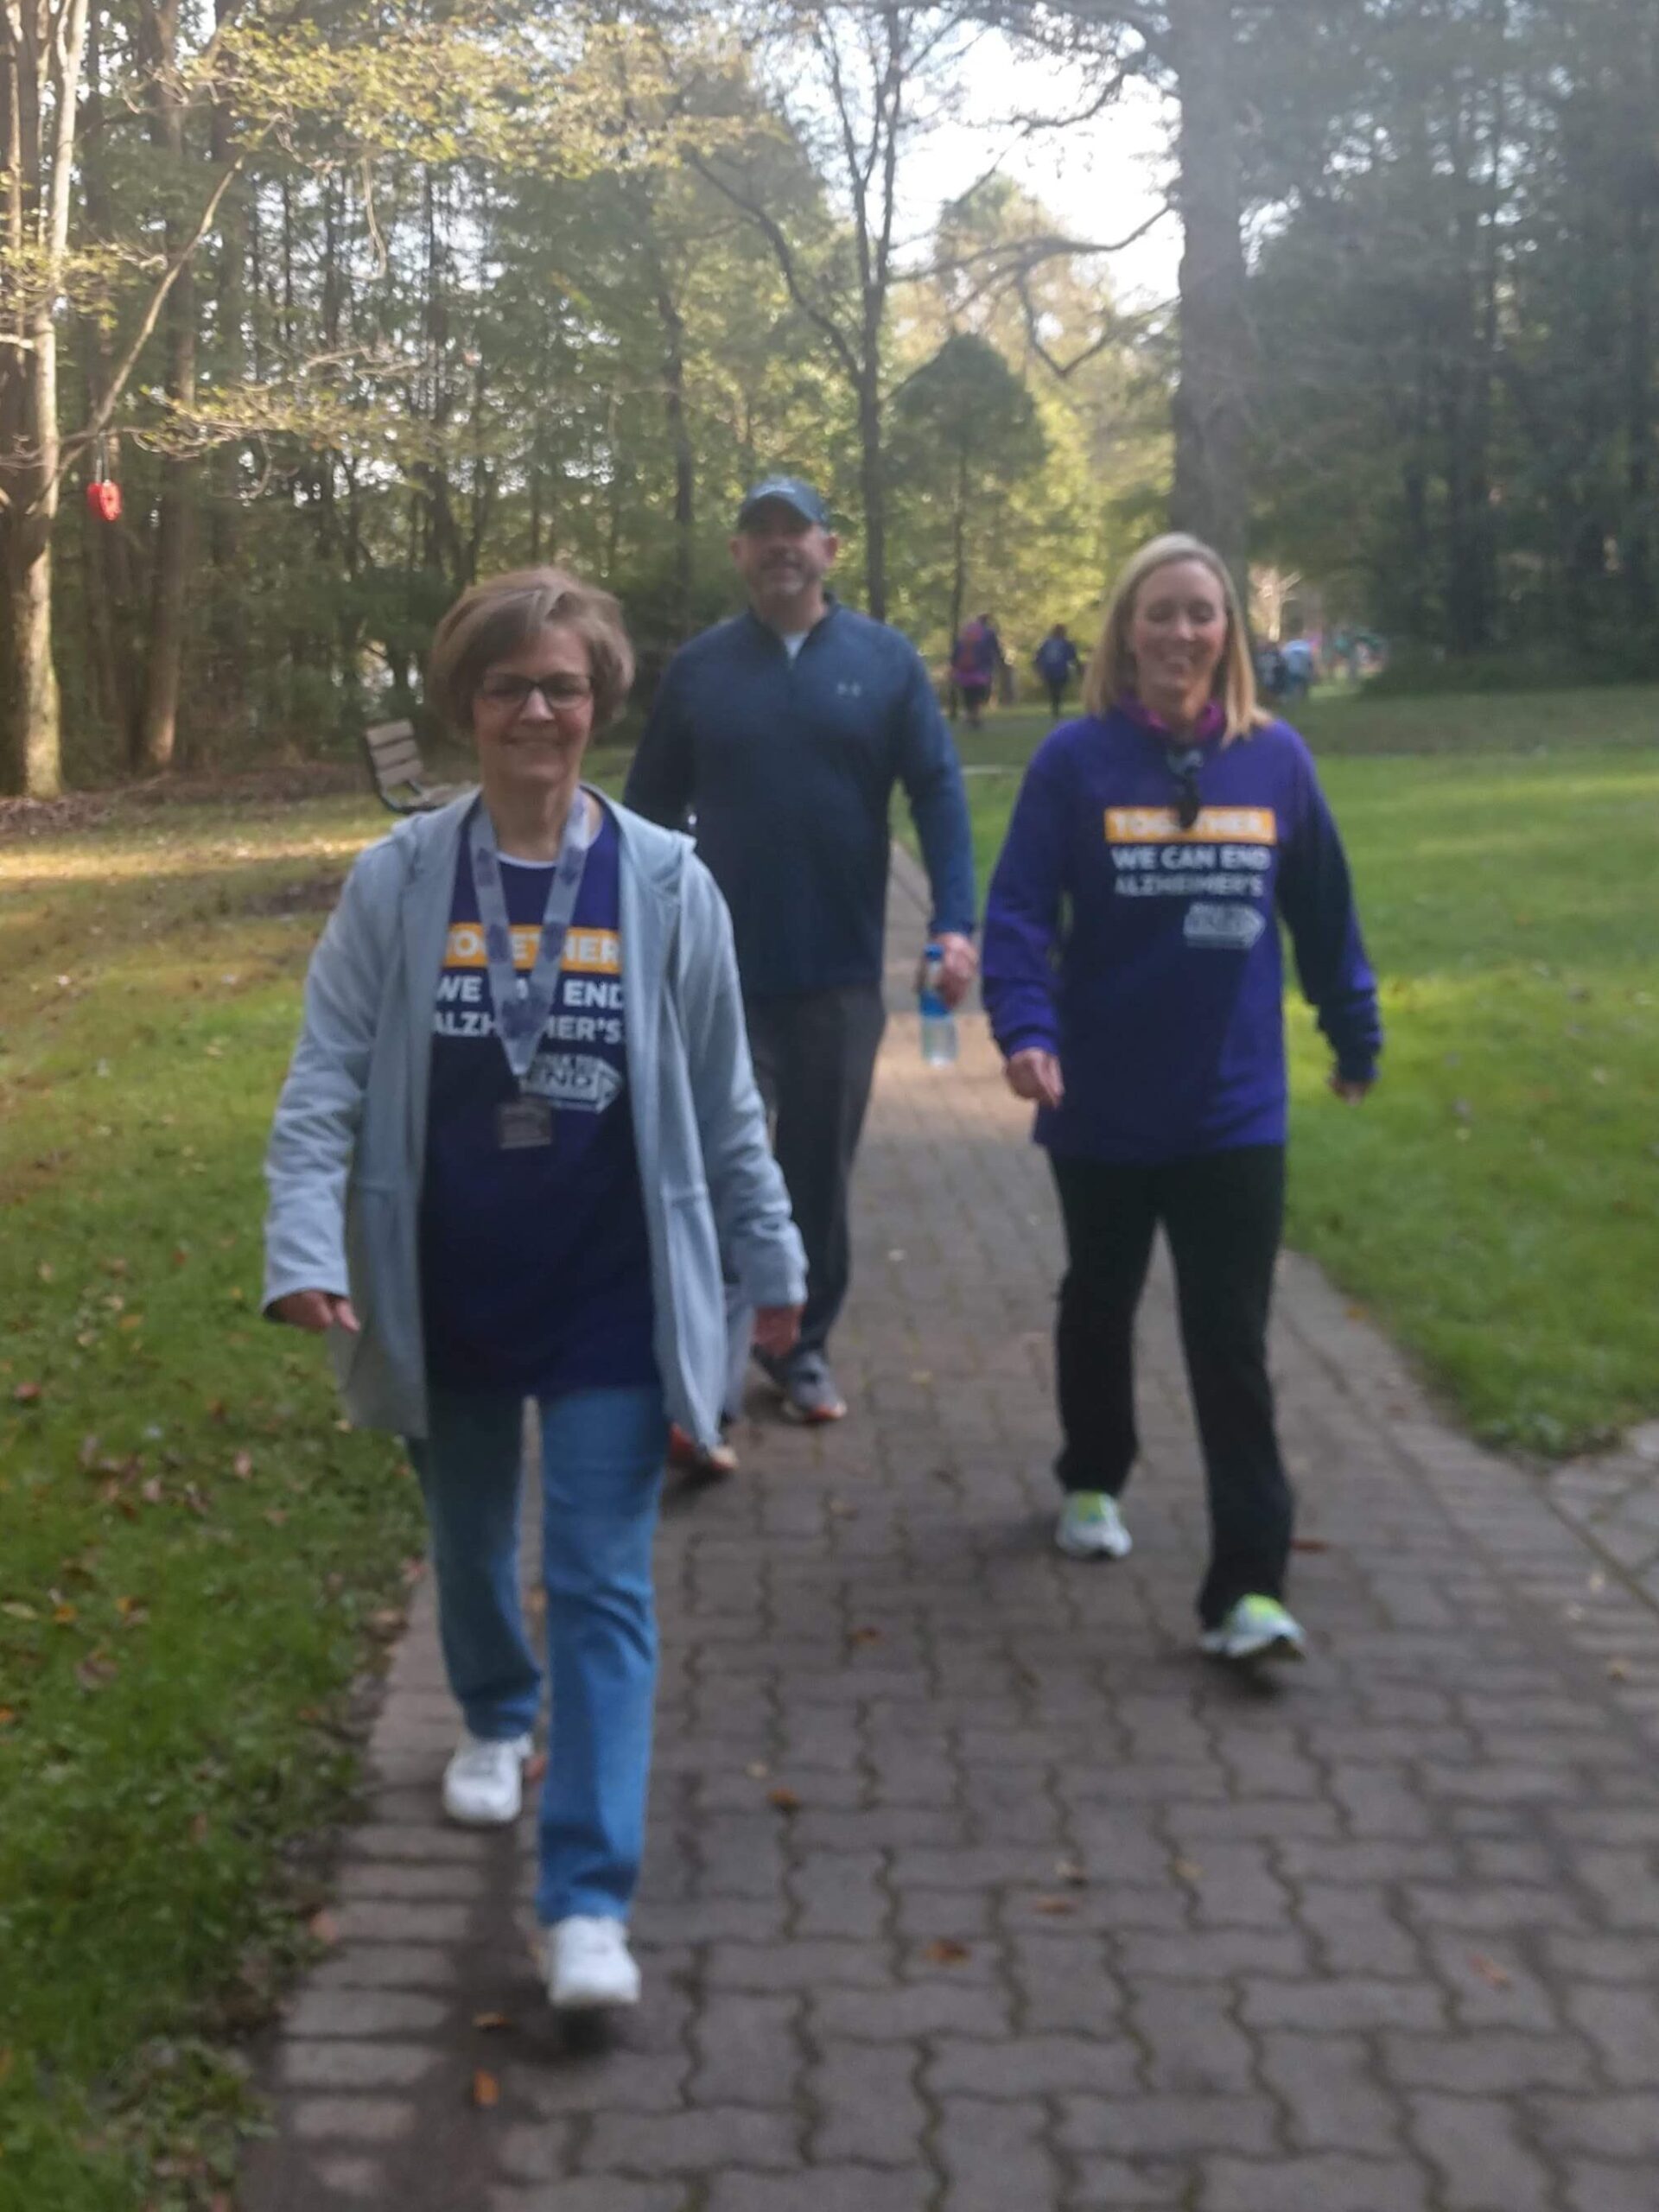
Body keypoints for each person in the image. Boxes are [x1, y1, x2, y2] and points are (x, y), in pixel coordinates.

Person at [263, 567, 805, 2013]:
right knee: (465, 1532)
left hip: (613, 1291)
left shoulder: (669, 885)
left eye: (563, 685)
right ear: (468, 707)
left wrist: (774, 1261)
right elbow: (325, 1081)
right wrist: (305, 1245)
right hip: (445, 1284)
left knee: (604, 1581)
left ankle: (586, 1905)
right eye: (510, 687)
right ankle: (495, 1711)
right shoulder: (398, 881)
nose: (539, 711)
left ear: (599, 704)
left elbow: (723, 1096)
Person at [982, 533, 1381, 1666]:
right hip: (1101, 1101)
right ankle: (1093, 1477)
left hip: (1232, 1109)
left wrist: (1353, 1033)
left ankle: (1248, 1588)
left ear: (1229, 634)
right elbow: (1018, 914)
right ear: (1124, 631)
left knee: (1229, 1338)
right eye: (1160, 613)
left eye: (1202, 614)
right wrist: (1027, 1031)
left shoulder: (1276, 761)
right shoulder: (1075, 761)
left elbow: (1326, 914)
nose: (1181, 634)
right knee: (1099, 1295)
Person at [626, 475, 976, 1427]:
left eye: (797, 531)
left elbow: (938, 794)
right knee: (718, 1169)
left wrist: (954, 921)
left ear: (829, 548)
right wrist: (633, 934)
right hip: (713, 977)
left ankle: (801, 1350)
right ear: (739, 554)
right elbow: (648, 814)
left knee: (816, 1175)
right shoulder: (700, 671)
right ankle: (712, 1355)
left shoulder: (885, 661)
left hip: (838, 974)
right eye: (761, 532)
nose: (780, 546)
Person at [950, 613, 1001, 728]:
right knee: (978, 694)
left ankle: (972, 715)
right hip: (980, 671)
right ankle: (974, 716)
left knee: (969, 694)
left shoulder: (964, 637)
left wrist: (954, 668)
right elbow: (995, 650)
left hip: (965, 673)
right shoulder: (989, 634)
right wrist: (997, 662)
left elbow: (955, 655)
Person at [1033, 623, 1082, 718]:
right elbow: (1073, 657)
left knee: (1054, 690)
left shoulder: (1047, 643)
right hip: (1060, 671)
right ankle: (1056, 708)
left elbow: (1038, 657)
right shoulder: (1064, 643)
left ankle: (1055, 708)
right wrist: (1078, 668)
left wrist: (1038, 668)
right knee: (1057, 690)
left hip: (1051, 671)